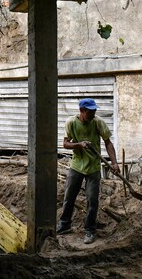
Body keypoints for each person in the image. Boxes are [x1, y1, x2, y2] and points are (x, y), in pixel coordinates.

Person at [56, 98, 120, 244]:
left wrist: (114, 163)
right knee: (69, 197)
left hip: (93, 168)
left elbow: (108, 143)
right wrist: (79, 144)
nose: (93, 114)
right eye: (90, 112)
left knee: (92, 200)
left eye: (94, 111)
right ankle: (65, 224)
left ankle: (90, 230)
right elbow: (65, 144)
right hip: (77, 166)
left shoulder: (98, 122)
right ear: (82, 111)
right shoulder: (71, 122)